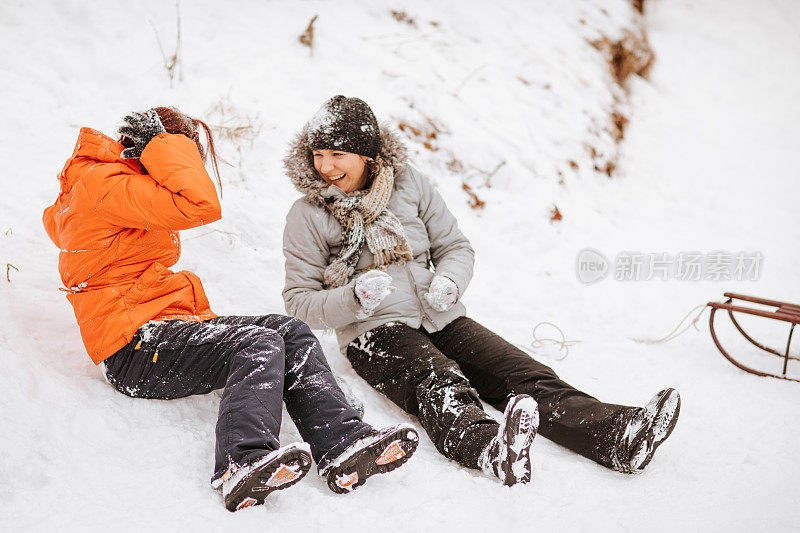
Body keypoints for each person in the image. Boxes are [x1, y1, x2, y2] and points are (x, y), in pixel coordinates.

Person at [281, 95, 681, 486]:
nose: (326, 167)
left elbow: (454, 246)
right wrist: (354, 299)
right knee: (438, 380)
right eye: (318, 155)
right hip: (374, 331)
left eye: (337, 155)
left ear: (367, 155)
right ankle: (491, 450)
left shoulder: (409, 184)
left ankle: (618, 435)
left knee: (522, 373)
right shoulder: (309, 214)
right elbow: (299, 303)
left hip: (439, 315)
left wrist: (450, 282)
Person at [42, 107, 418, 512]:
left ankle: (343, 442)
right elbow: (201, 204)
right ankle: (243, 462)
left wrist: (161, 148)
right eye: (183, 154)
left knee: (288, 330)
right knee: (257, 345)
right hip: (131, 347)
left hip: (164, 325)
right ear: (154, 149)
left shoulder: (121, 187)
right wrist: (166, 145)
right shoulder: (104, 184)